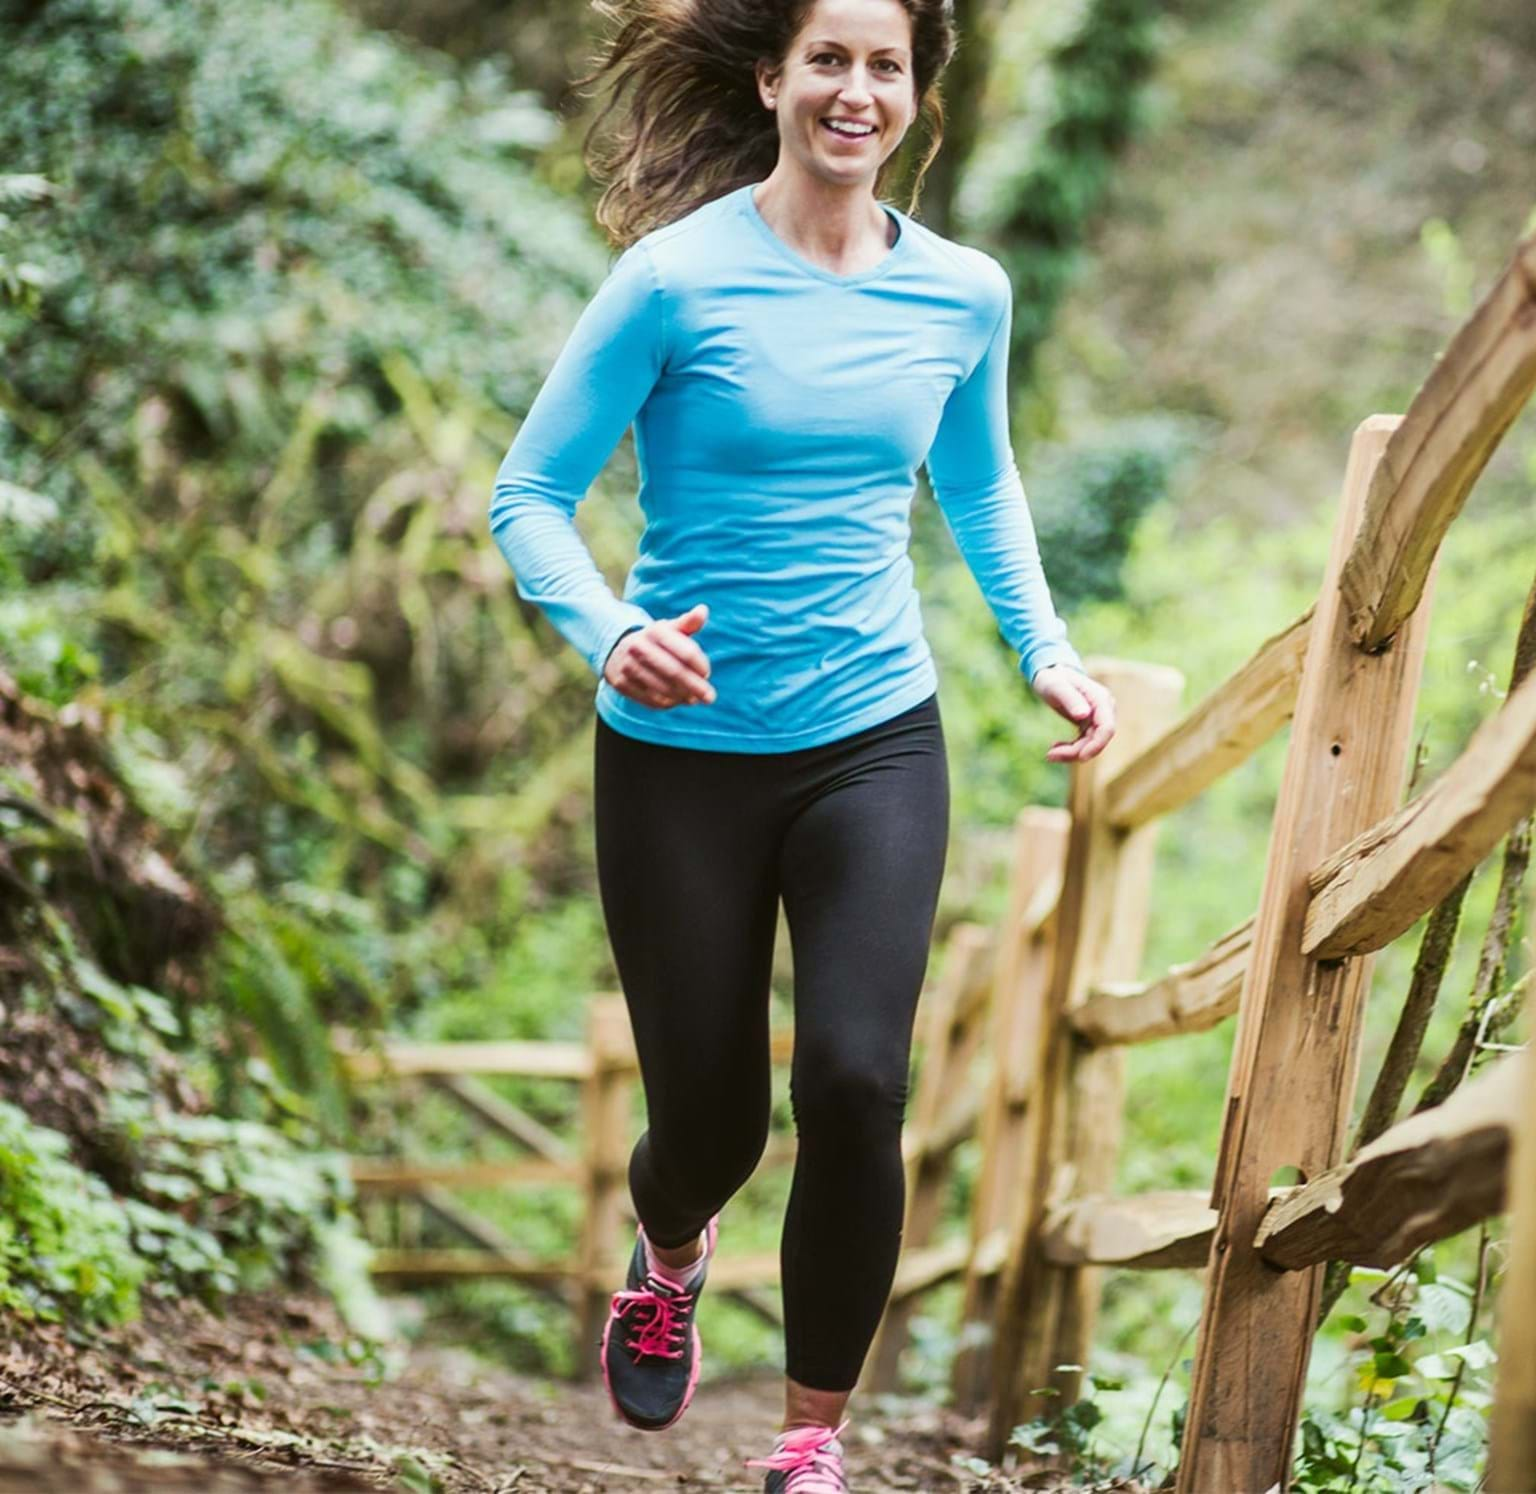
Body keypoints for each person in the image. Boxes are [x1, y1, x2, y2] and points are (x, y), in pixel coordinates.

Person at [487, 0, 1116, 1486]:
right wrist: (606, 631)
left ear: (917, 93)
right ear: (772, 77)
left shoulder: (963, 295)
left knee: (851, 1081)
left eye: (884, 64)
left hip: (871, 742)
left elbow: (982, 485)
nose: (855, 89)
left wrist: (1048, 650)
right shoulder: (672, 280)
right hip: (677, 750)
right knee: (707, 1120)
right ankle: (671, 1247)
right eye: (827, 58)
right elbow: (530, 494)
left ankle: (809, 1443)